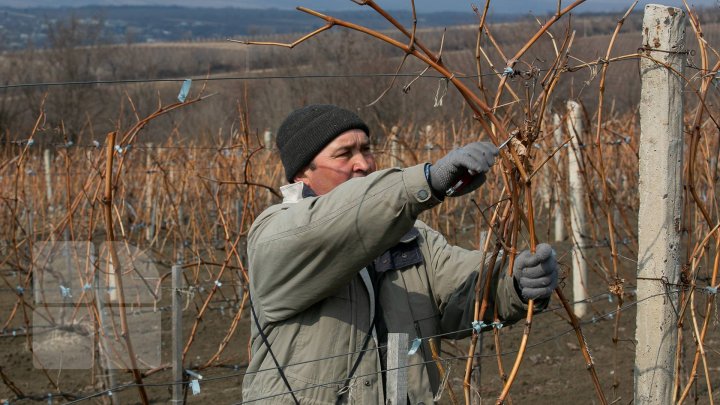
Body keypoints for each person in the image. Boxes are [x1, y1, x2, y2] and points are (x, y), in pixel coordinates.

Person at [242, 104, 558, 404]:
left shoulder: (409, 239)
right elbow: (331, 224)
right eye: (344, 154)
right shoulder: (276, 234)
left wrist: (515, 279)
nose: (363, 164)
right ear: (302, 174)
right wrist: (426, 181)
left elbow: (464, 290)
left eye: (366, 149)